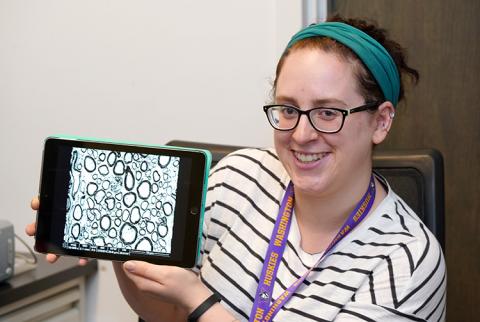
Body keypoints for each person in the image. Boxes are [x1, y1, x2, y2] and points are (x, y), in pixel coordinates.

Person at [27, 15, 446, 322]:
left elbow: (190, 306)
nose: (301, 135)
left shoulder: (407, 263)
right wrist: (118, 245)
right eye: (287, 109)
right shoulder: (239, 177)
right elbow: (167, 315)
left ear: (381, 120)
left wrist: (202, 303)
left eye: (328, 113)